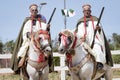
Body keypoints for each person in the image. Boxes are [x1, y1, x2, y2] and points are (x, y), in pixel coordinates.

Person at [10, 4, 53, 79]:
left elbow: (44, 31)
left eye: (35, 10)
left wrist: (48, 28)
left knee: (48, 51)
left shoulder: (42, 21)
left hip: (40, 41)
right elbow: (25, 32)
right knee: (21, 53)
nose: (34, 11)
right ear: (30, 11)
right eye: (32, 10)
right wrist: (30, 36)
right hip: (30, 41)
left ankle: (49, 67)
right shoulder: (27, 21)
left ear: (37, 11)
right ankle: (20, 69)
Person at [75, 4, 113, 70]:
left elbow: (101, 32)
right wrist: (81, 37)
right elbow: (78, 32)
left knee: (97, 48)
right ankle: (74, 67)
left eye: (88, 10)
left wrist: (98, 29)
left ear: (90, 11)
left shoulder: (96, 20)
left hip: (95, 40)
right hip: (85, 41)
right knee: (76, 51)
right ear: (83, 12)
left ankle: (99, 64)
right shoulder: (80, 21)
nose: (87, 12)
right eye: (85, 10)